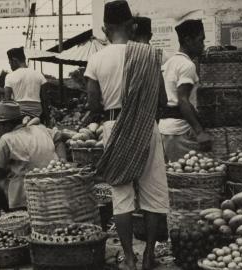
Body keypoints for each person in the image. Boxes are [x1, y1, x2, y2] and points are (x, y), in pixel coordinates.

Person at [84, 2, 169, 269]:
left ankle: (129, 257)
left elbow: (94, 106)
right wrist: (141, 112)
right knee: (153, 193)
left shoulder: (97, 59)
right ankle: (149, 255)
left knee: (121, 197)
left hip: (113, 127)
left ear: (105, 28)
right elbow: (163, 100)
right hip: (146, 126)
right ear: (132, 25)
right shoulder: (149, 54)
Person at [0, 101, 66, 219]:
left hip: (27, 196)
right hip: (52, 187)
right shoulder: (41, 129)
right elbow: (59, 138)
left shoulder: (7, 138)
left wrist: (6, 168)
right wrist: (62, 159)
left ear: (7, 125)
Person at [158, 19, 212, 162]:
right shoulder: (187, 65)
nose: (203, 45)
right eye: (201, 40)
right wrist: (200, 132)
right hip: (178, 131)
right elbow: (183, 100)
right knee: (191, 174)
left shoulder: (168, 63)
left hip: (164, 128)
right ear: (188, 40)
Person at [4, 47, 49, 123]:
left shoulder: (9, 76)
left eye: (10, 63)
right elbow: (45, 100)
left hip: (18, 115)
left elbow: (7, 101)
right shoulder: (39, 75)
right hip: (37, 114)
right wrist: (47, 120)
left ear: (14, 61)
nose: (10, 66)